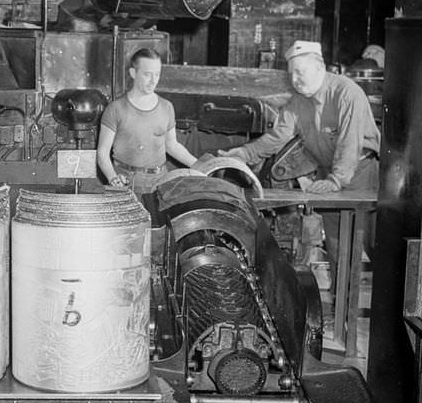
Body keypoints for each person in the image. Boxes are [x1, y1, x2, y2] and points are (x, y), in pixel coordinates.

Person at [218, 39, 380, 275]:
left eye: (300, 73)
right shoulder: (298, 101)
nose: (295, 80)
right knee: (337, 247)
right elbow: (278, 136)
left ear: (320, 68)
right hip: (330, 172)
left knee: (365, 244)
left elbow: (350, 141)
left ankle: (370, 308)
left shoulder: (346, 93)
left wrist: (335, 181)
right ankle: (339, 305)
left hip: (359, 173)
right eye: (292, 74)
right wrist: (244, 153)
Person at [96, 47, 197, 215]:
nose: (153, 81)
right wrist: (113, 178)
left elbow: (172, 146)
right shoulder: (115, 109)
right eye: (147, 74)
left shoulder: (166, 107)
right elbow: (102, 153)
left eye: (157, 74)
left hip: (159, 184)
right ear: (133, 73)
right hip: (127, 183)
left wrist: (200, 166)